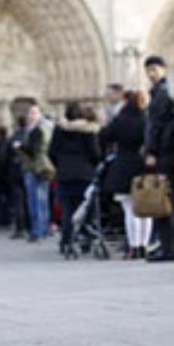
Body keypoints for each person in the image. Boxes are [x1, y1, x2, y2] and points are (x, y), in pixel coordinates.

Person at [142, 56, 174, 262]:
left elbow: (157, 125)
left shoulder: (163, 92)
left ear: (163, 69)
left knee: (164, 199)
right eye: (148, 70)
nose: (151, 74)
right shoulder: (172, 90)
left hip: (165, 152)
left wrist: (152, 151)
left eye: (154, 69)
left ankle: (169, 247)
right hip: (172, 151)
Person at [101, 90, 151, 258]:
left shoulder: (120, 119)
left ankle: (134, 246)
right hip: (143, 164)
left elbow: (105, 136)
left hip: (124, 164)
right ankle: (145, 245)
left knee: (130, 210)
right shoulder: (147, 118)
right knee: (145, 209)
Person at [48, 103, 101, 257]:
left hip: (65, 174)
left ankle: (66, 241)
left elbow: (52, 152)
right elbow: (95, 153)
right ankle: (86, 239)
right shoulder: (88, 130)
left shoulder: (60, 130)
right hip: (84, 174)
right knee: (86, 209)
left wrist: (60, 165)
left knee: (67, 211)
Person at [19, 105, 55, 242]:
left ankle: (37, 231)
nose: (30, 116)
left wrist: (21, 148)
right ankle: (43, 229)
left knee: (36, 201)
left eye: (34, 113)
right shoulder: (43, 128)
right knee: (42, 200)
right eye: (29, 113)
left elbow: (35, 150)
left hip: (36, 168)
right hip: (41, 167)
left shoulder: (40, 129)